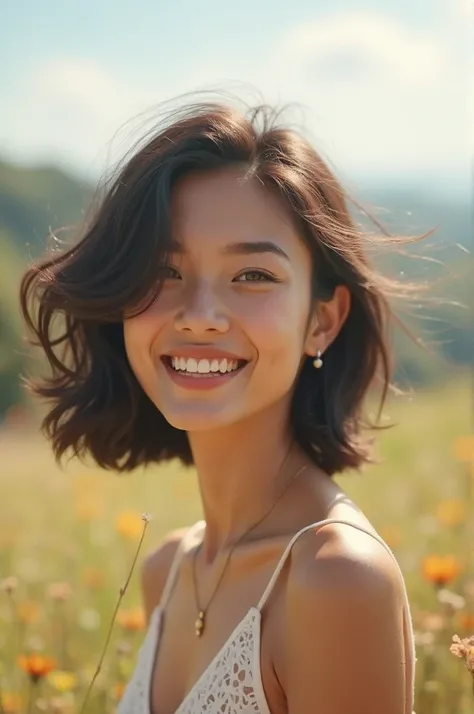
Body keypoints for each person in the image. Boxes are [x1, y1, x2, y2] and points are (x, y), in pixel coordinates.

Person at [19, 93, 422, 714]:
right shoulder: (166, 570)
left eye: (252, 276)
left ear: (322, 321)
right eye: (164, 272)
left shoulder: (336, 578)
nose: (201, 317)